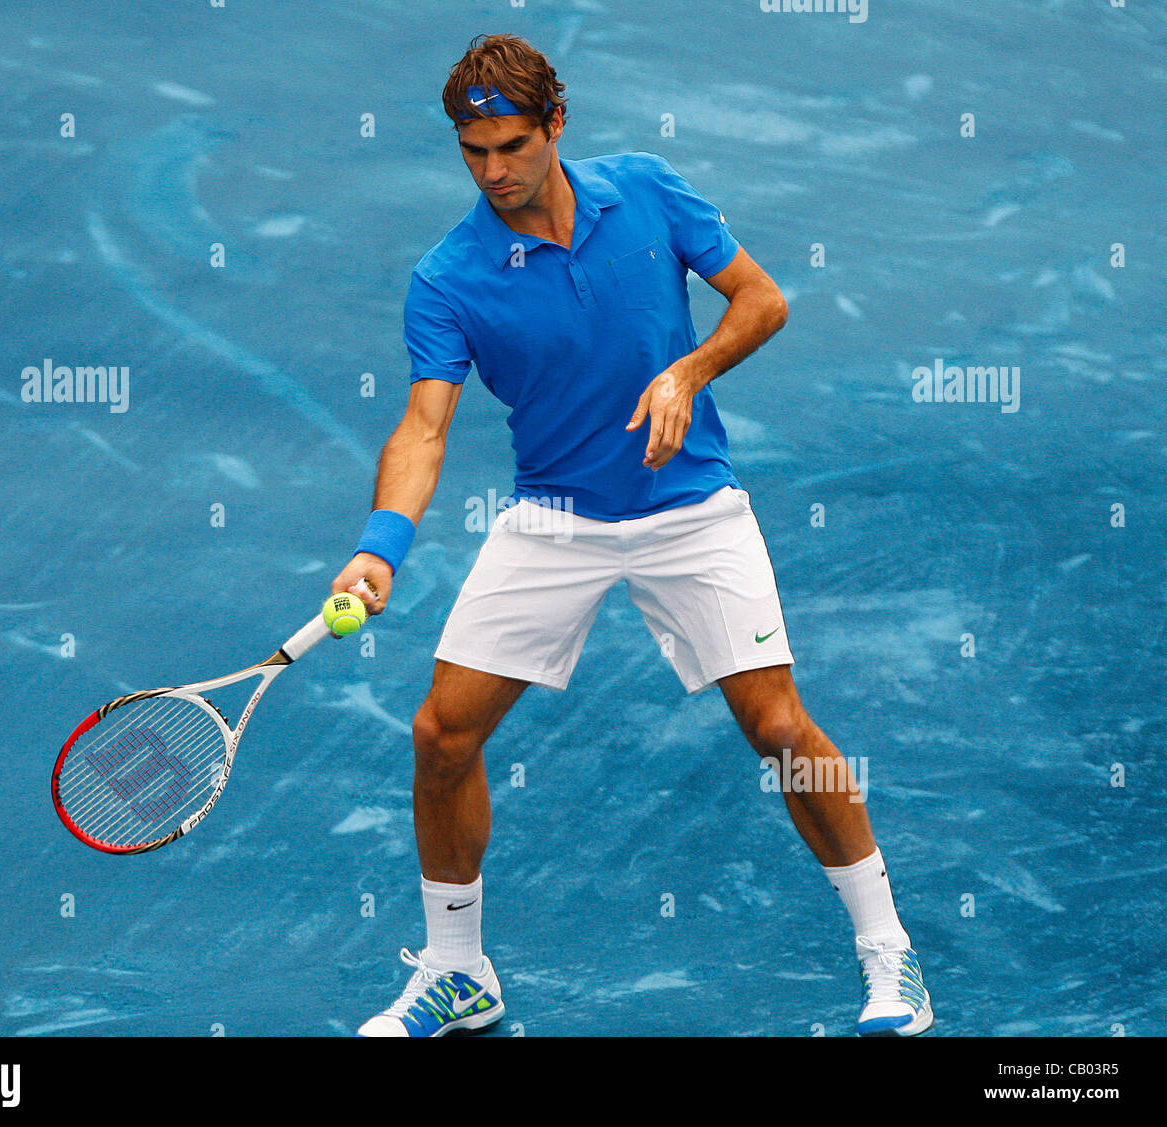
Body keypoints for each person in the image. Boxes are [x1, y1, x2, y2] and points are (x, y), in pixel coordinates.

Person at [330, 32, 933, 1038]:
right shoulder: (447, 278)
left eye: (512, 145)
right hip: (555, 519)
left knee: (780, 729)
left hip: (688, 508)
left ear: (556, 125)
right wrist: (379, 544)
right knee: (441, 733)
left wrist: (685, 372)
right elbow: (424, 427)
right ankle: (456, 968)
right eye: (472, 151)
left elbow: (762, 299)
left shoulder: (647, 192)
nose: (493, 172)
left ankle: (890, 954)